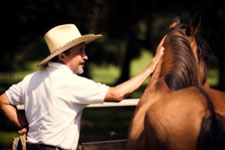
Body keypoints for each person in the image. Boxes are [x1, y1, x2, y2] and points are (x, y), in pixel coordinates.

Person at [0, 24, 164, 150]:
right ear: (63, 56)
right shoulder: (71, 82)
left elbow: (3, 100)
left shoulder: (30, 79)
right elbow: (117, 94)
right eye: (81, 51)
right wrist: (150, 68)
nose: (85, 56)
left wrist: (23, 125)